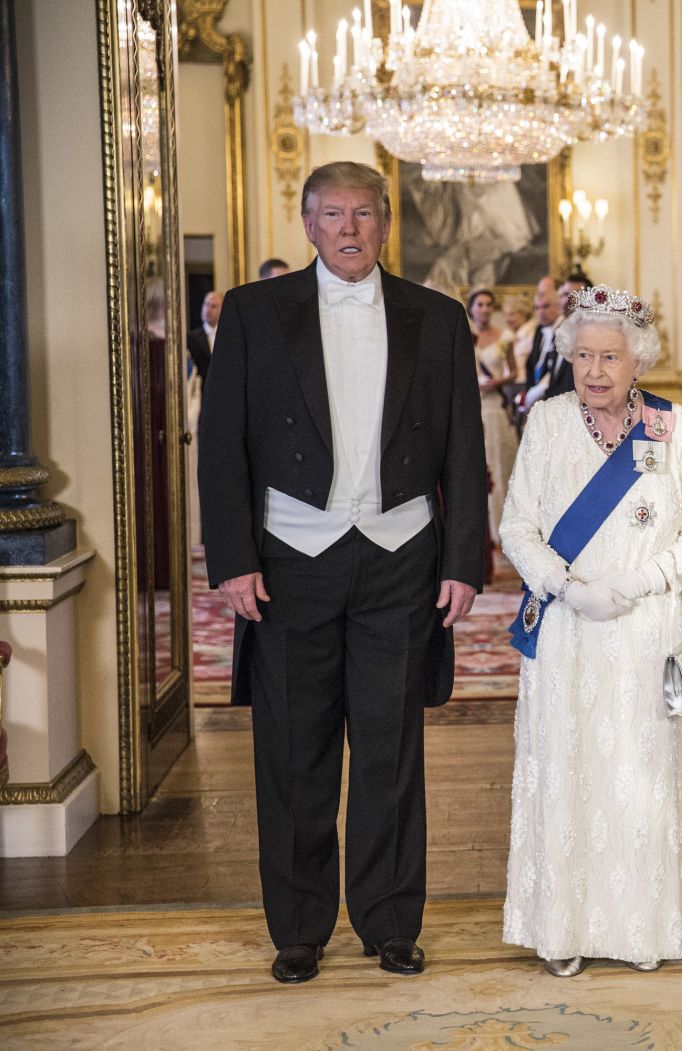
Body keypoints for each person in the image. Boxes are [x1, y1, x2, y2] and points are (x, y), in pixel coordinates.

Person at [198, 161, 487, 984]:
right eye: (333, 214)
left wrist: (464, 560)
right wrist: (232, 559)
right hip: (291, 559)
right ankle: (298, 928)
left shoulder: (437, 318)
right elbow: (222, 448)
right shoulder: (254, 314)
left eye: (364, 213)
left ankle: (391, 921)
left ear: (387, 224)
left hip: (402, 556)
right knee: (294, 749)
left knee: (392, 748)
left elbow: (464, 449)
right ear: (307, 223)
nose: (350, 228)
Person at [499, 284, 682, 977]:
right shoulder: (546, 421)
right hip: (567, 630)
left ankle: (640, 926)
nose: (595, 370)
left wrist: (633, 584)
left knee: (639, 776)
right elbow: (517, 527)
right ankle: (561, 927)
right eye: (584, 355)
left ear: (638, 361)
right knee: (567, 774)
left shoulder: (668, 425)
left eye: (611, 357)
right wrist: (567, 587)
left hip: (642, 628)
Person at [469, 287, 519, 542]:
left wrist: (497, 381)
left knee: (499, 468)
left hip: (494, 407)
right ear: (472, 308)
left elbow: (514, 372)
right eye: (480, 304)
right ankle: (481, 531)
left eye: (489, 304)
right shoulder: (466, 334)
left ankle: (501, 529)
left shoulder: (504, 337)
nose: (485, 309)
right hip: (473, 406)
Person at [521, 276, 574, 410]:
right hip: (538, 402)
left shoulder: (567, 329)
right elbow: (532, 363)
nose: (541, 312)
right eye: (537, 308)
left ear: (558, 306)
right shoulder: (539, 331)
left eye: (546, 306)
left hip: (561, 400)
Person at [186, 290, 222, 382]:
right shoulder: (191, 338)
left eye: (213, 306)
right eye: (206, 304)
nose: (208, 310)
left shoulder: (229, 337)